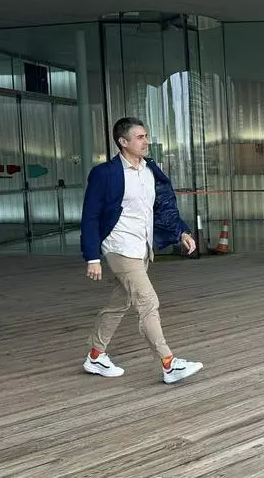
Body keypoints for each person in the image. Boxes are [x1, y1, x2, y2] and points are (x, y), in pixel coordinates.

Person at [79, 116, 204, 384]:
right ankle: (169, 363)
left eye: (146, 136)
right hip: (120, 247)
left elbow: (162, 208)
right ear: (123, 142)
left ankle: (96, 355)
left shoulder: (150, 170)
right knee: (148, 302)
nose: (146, 141)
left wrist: (181, 232)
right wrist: (92, 257)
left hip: (142, 247)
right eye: (140, 137)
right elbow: (90, 216)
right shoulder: (105, 174)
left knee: (120, 302)